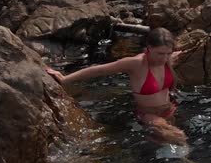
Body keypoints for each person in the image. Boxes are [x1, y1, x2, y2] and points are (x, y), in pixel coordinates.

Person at [46, 27, 187, 145]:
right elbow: (100, 69)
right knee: (179, 138)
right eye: (160, 53)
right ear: (149, 48)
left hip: (169, 110)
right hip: (148, 114)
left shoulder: (168, 59)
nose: (164, 58)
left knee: (165, 143)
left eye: (168, 53)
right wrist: (65, 79)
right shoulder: (135, 64)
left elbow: (173, 56)